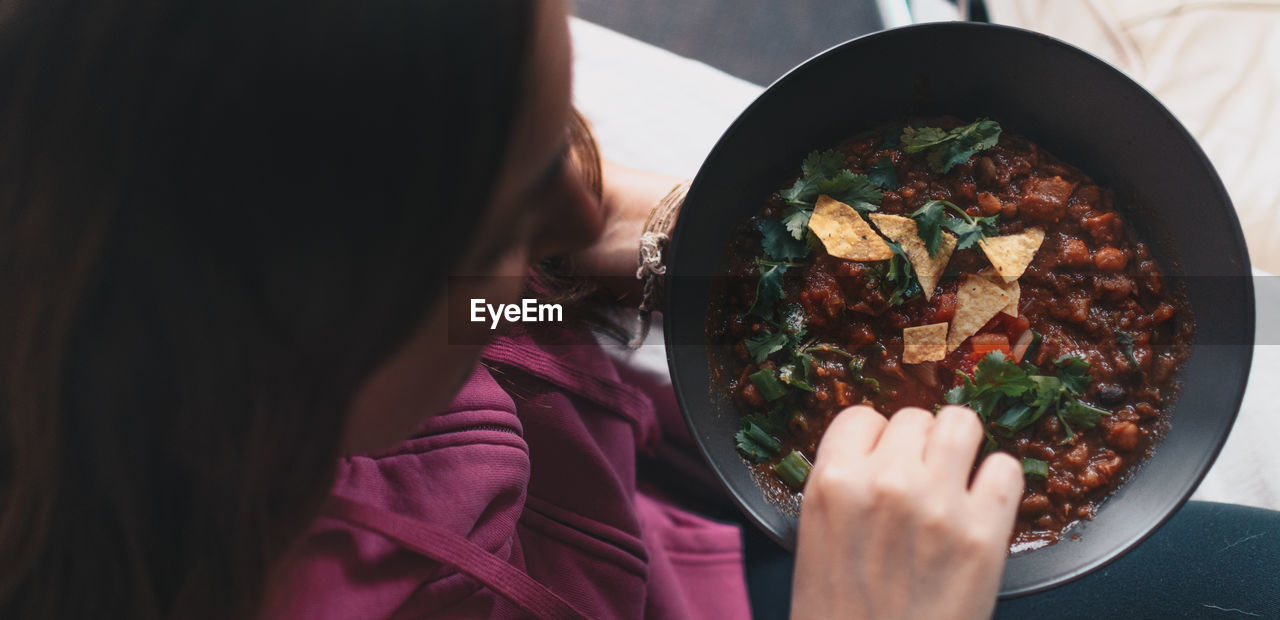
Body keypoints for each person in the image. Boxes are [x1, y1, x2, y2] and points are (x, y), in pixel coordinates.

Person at [1, 0, 1055, 617]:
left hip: (676, 559)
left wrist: (643, 265)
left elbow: (490, 316)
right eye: (507, 213)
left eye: (562, 129)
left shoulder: (414, 314)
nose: (582, 201)